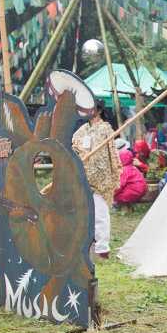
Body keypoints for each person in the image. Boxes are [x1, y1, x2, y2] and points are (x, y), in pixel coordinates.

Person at [72, 108, 118, 259]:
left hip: (101, 177)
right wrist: (80, 151)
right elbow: (75, 143)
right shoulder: (83, 129)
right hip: (84, 174)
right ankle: (88, 240)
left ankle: (102, 247)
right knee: (84, 210)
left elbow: (109, 152)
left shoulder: (105, 128)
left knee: (100, 212)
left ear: (98, 111)